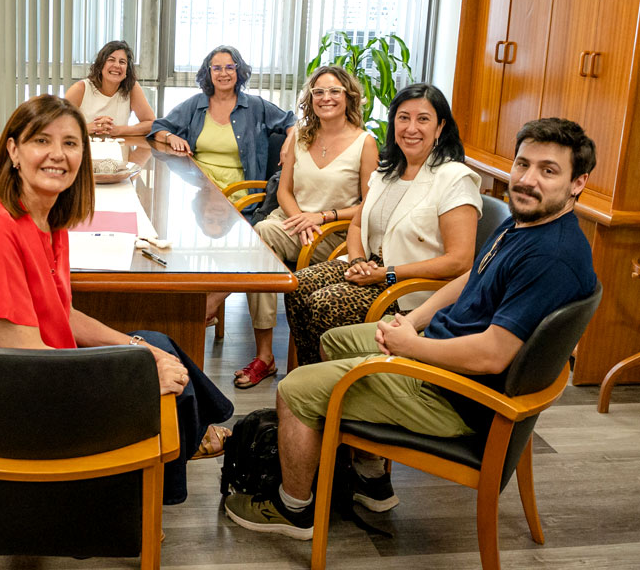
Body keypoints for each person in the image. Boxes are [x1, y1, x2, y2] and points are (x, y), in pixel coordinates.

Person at [224, 117, 597, 539]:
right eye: (523, 164)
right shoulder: (526, 222)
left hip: (455, 395)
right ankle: (371, 478)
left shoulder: (551, 258)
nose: (528, 180)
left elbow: (491, 355)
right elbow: (472, 275)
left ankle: (293, 509)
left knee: (293, 390)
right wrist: (414, 321)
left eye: (548, 171)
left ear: (577, 182)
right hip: (441, 351)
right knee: (335, 340)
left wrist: (409, 348)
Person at [0, 94, 234, 504]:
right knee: (159, 379)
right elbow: (26, 358)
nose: (57, 155)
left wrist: (137, 348)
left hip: (39, 375)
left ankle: (188, 440)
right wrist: (134, 375)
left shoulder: (48, 218)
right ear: (12, 149)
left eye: (70, 143)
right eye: (41, 141)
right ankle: (148, 493)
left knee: (158, 342)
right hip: (9, 402)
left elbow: (62, 313)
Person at [284, 83, 483, 366]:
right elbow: (356, 225)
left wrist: (386, 274)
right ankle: (307, 380)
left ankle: (332, 386)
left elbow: (460, 262)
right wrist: (356, 260)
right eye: (403, 118)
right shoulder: (389, 171)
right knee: (297, 286)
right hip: (370, 266)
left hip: (409, 286)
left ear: (440, 127)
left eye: (423, 119)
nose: (411, 128)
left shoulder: (454, 179)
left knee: (324, 303)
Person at [220, 66, 379, 388]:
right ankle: (264, 354)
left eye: (334, 91)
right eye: (318, 92)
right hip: (290, 222)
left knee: (260, 238)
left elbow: (371, 203)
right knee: (262, 238)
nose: (326, 98)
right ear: (311, 98)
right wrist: (298, 218)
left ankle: (216, 301)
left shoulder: (365, 143)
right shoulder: (300, 136)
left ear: (348, 96)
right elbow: (283, 191)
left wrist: (321, 217)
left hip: (332, 233)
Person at [148, 45, 295, 203]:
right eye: (217, 68)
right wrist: (170, 137)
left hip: (237, 196)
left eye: (230, 68)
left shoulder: (255, 106)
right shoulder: (196, 104)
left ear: (238, 72)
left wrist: (288, 142)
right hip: (200, 191)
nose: (223, 73)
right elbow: (158, 127)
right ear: (208, 72)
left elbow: (292, 121)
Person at [64, 40, 155, 137]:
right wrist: (87, 128)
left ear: (127, 70)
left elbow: (152, 124)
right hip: (85, 150)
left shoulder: (131, 88)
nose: (116, 65)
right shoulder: (80, 89)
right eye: (111, 60)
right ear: (101, 65)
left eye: (122, 62)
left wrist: (119, 130)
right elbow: (58, 125)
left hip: (120, 150)